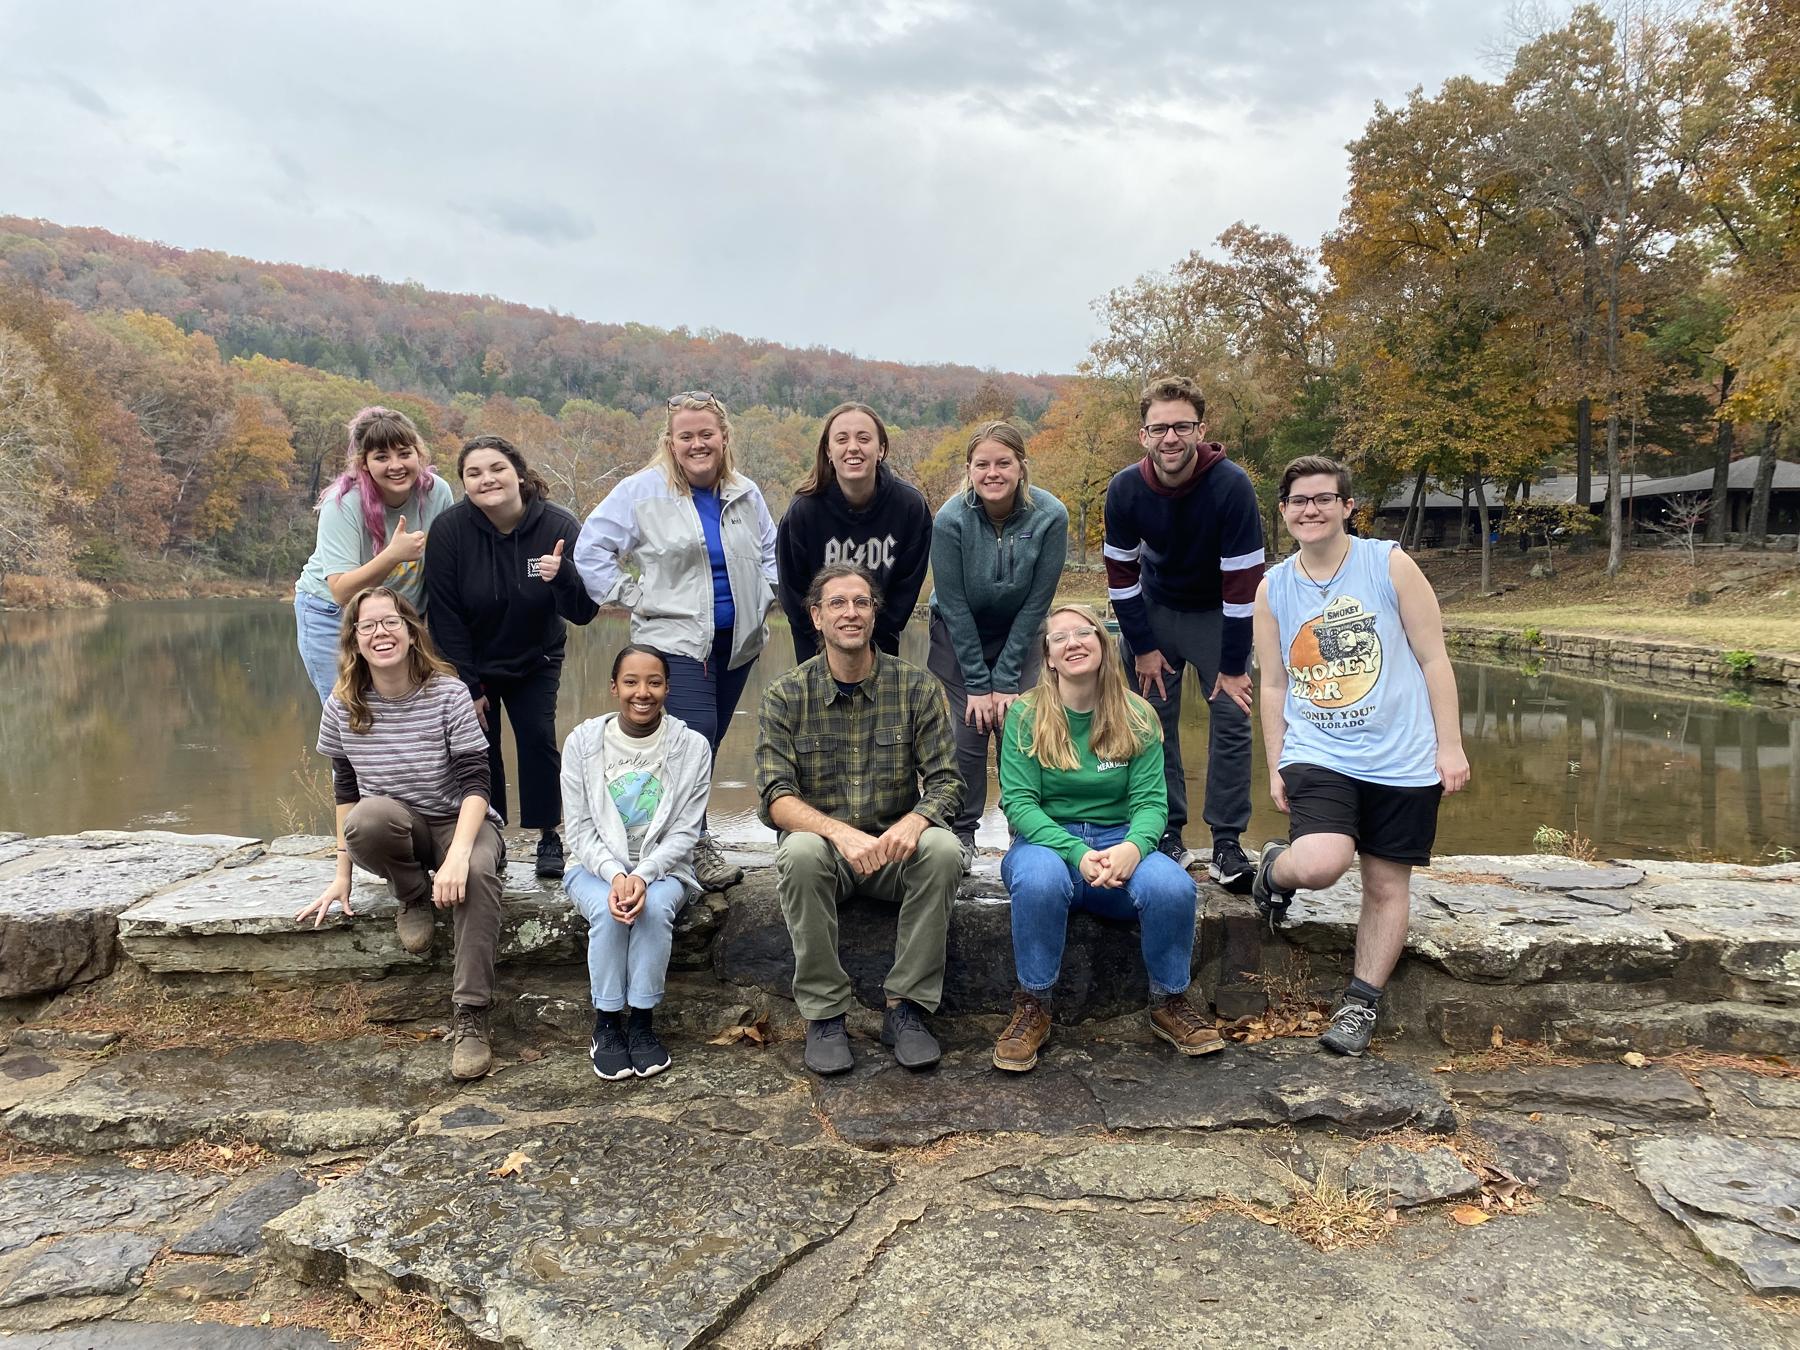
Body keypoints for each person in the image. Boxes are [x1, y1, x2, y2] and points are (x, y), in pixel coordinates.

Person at [1251, 455, 1470, 1057]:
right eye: (1298, 501)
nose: (1310, 510)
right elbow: (1273, 684)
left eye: (1323, 499)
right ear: (1285, 511)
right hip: (1319, 747)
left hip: (1403, 754)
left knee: (1384, 881)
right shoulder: (1274, 587)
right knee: (1321, 861)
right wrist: (1276, 763)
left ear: (1348, 507)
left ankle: (1359, 1002)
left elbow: (1433, 658)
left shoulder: (1388, 564)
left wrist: (1448, 746)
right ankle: (1276, 869)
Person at [755, 563, 963, 1077]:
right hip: (830, 856)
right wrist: (839, 834)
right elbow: (774, 796)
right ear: (816, 617)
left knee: (944, 850)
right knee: (798, 852)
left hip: (894, 853)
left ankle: (906, 1009)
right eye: (838, 604)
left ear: (874, 613)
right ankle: (825, 1016)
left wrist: (916, 822)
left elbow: (947, 782)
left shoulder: (917, 687)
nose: (851, 613)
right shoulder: (786, 694)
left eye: (861, 603)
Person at [993, 604, 1221, 1071]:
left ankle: (1168, 1002)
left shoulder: (1137, 714)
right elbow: (1018, 805)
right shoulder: (1024, 714)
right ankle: (1035, 1003)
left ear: (1104, 645)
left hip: (1119, 845)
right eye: (1060, 638)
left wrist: (1134, 848)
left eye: (1084, 633)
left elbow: (1152, 805)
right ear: (1049, 658)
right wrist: (1077, 852)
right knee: (1035, 880)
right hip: (1047, 847)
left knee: (1173, 886)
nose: (1074, 642)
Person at [294, 586, 505, 1081]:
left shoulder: (449, 693)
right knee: (365, 820)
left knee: (475, 873)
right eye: (367, 626)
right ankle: (412, 895)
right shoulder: (342, 704)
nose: (379, 633)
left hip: (461, 820)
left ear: (411, 632)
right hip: (398, 827)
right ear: (354, 640)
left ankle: (470, 1016)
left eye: (390, 622)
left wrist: (456, 856)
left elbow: (479, 782)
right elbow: (345, 790)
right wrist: (341, 874)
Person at [573, 391, 778, 893]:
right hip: (674, 639)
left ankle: (666, 841)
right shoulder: (641, 492)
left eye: (706, 434)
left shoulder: (745, 492)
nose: (697, 443)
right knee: (696, 737)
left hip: (738, 642)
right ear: (670, 441)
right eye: (685, 435)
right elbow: (591, 550)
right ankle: (694, 847)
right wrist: (633, 596)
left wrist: (765, 596)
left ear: (724, 437)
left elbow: (771, 552)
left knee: (708, 742)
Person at [1103, 375, 1264, 890]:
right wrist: (1144, 648)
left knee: (1232, 717)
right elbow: (1121, 579)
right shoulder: (1125, 488)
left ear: (1201, 429)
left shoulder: (1231, 485)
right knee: (1150, 721)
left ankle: (1227, 843)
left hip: (1220, 613)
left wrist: (1235, 666)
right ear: (1142, 435)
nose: (1171, 437)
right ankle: (1165, 831)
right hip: (1154, 610)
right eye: (1159, 428)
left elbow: (1244, 584)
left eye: (1182, 426)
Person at [425, 435, 599, 879]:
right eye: (474, 473)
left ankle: (548, 835)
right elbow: (444, 616)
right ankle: (491, 835)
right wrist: (468, 686)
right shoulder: (449, 531)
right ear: (463, 485)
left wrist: (563, 578)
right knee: (480, 747)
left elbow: (583, 612)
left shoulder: (558, 527)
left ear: (518, 473)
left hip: (535, 658)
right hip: (473, 661)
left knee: (538, 738)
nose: (487, 479)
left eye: (496, 468)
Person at [560, 645, 712, 1081]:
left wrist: (643, 876)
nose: (642, 692)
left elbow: (685, 833)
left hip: (664, 869)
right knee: (609, 917)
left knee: (652, 908)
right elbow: (580, 831)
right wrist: (615, 875)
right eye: (630, 682)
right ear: (614, 687)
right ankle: (607, 1025)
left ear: (667, 687)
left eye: (654, 682)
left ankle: (642, 1023)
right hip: (592, 867)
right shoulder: (583, 744)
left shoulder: (691, 747)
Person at [927, 420, 1068, 871]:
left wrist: (1005, 678)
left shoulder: (1051, 515)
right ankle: (962, 834)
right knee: (968, 730)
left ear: (1022, 467)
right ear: (968, 470)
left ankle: (1025, 833)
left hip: (1022, 633)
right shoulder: (950, 519)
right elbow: (952, 603)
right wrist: (977, 682)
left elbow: (1037, 603)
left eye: (1003, 463)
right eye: (982, 464)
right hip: (956, 632)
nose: (993, 473)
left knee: (1021, 728)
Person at [294, 407, 455, 705]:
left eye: (404, 453)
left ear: (418, 454)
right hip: (332, 614)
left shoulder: (438, 493)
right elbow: (341, 590)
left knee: (406, 711)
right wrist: (393, 555)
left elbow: (446, 569)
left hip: (402, 616)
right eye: (382, 457)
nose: (396, 465)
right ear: (364, 464)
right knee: (350, 710)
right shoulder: (342, 504)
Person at [777, 402, 931, 664]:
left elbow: (904, 594)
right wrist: (830, 651)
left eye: (863, 438)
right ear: (828, 450)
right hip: (815, 648)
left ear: (881, 449)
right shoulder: (803, 512)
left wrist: (863, 648)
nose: (853, 447)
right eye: (841, 439)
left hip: (880, 647)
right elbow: (793, 596)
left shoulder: (910, 507)